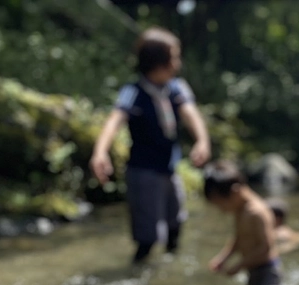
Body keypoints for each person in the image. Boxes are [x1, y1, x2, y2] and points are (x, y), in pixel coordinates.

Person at [90, 27, 211, 265]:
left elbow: (191, 115)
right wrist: (100, 152)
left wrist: (202, 140)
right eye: (174, 57)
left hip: (169, 169)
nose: (178, 63)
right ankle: (140, 270)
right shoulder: (133, 92)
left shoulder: (176, 88)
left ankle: (169, 269)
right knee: (148, 237)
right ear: (159, 61)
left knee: (176, 224)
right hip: (143, 171)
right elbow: (114, 120)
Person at [204, 160, 280, 285]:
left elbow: (265, 246)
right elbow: (239, 237)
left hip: (267, 271)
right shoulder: (240, 209)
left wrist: (239, 266)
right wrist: (223, 258)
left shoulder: (257, 212)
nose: (222, 210)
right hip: (253, 268)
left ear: (235, 191)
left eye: (221, 205)